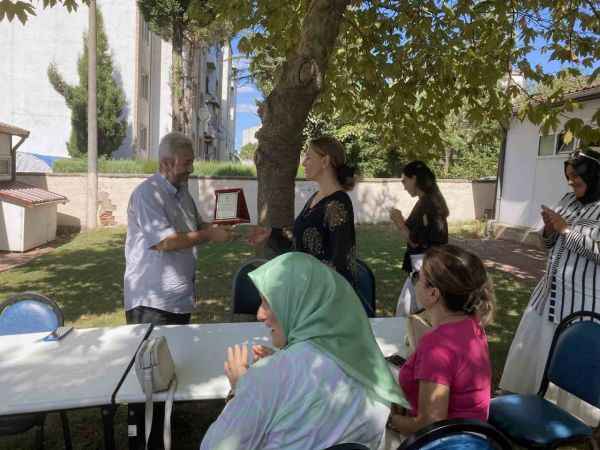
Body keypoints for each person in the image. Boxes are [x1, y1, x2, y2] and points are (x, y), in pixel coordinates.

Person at [199, 252, 408, 450]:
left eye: (268, 302)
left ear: (299, 304)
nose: (260, 314)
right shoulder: (370, 367)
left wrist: (240, 391)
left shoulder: (267, 378)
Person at [500, 148, 600, 425]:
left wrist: (567, 230)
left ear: (593, 176)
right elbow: (547, 245)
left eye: (576, 177)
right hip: (548, 294)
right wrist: (548, 230)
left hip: (581, 301)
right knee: (535, 349)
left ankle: (571, 417)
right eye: (568, 177)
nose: (571, 183)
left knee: (570, 353)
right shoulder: (568, 199)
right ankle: (530, 399)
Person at [383, 245, 494, 448]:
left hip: (447, 442)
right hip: (472, 437)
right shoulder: (472, 324)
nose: (414, 282)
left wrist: (387, 420)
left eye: (418, 276)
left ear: (433, 293)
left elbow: (430, 425)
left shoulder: (437, 347)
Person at [124, 131, 232, 327]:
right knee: (151, 357)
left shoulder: (183, 192)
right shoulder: (147, 194)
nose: (191, 169)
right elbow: (164, 241)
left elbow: (196, 226)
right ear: (165, 163)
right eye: (186, 163)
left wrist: (221, 227)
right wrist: (209, 234)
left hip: (179, 301)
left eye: (192, 162)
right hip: (152, 305)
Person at [248, 136, 358, 288]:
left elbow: (340, 260)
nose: (303, 163)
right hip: (306, 289)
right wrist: (271, 233)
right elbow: (300, 236)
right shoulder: (316, 197)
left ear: (325, 161)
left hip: (324, 297)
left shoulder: (338, 203)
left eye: (308, 157)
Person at [390, 161, 449, 316]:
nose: (403, 186)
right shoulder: (430, 200)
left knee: (407, 316)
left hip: (424, 269)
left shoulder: (427, 203)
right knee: (406, 313)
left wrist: (398, 221)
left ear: (414, 178)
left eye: (404, 181)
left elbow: (415, 241)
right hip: (427, 268)